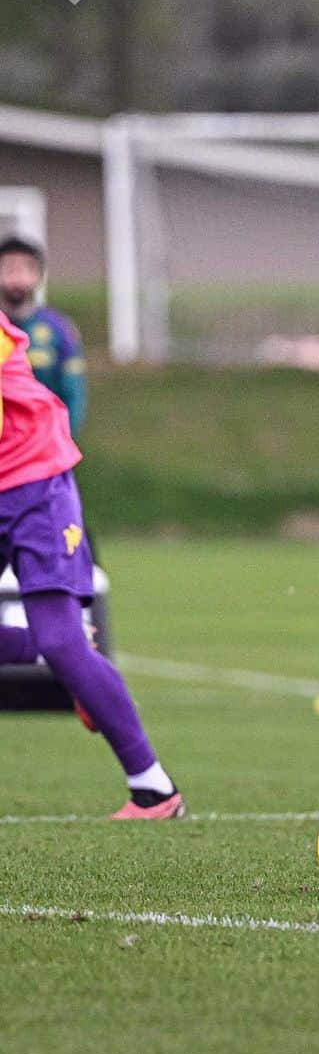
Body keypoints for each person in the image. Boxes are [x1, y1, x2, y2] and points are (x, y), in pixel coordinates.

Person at [0, 304, 183, 818]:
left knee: (62, 639)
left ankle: (154, 790)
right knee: (60, 646)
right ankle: (69, 661)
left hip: (35, 486)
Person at [0, 235, 87, 437]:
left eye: (26, 269)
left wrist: (64, 442)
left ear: (39, 275)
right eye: (10, 269)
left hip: (41, 447)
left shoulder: (59, 329)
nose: (18, 277)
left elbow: (73, 391)